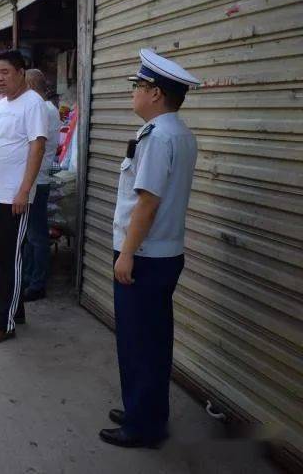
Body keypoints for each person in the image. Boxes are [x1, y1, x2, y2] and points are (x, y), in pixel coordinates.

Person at [99, 49, 199, 449]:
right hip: (164, 253)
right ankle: (145, 410)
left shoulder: (159, 137)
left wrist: (126, 252)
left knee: (138, 341)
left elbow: (147, 202)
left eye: (138, 86)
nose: (134, 93)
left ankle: (142, 425)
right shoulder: (180, 133)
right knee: (153, 339)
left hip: (144, 256)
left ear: (156, 94)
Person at [0, 50, 48, 344]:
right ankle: (13, 310)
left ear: (21, 72)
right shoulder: (1, 104)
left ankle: (5, 324)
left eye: (5, 72)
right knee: (0, 255)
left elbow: (37, 147)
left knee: (10, 259)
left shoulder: (33, 104)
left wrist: (24, 190)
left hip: (12, 196)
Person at [20, 69, 61, 301]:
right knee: (29, 234)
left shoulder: (44, 109)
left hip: (37, 179)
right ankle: (27, 277)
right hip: (32, 178)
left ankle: (37, 283)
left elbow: (35, 145)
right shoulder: (45, 109)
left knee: (36, 234)